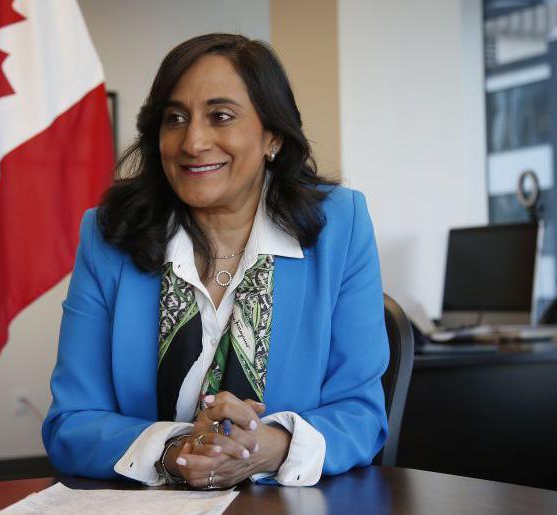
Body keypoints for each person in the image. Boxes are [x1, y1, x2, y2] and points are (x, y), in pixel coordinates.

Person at [42, 33, 388, 489]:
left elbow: (361, 414)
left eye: (220, 116)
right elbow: (71, 423)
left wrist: (271, 446)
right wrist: (176, 449)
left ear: (273, 137)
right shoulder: (109, 235)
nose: (193, 141)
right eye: (175, 118)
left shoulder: (340, 225)